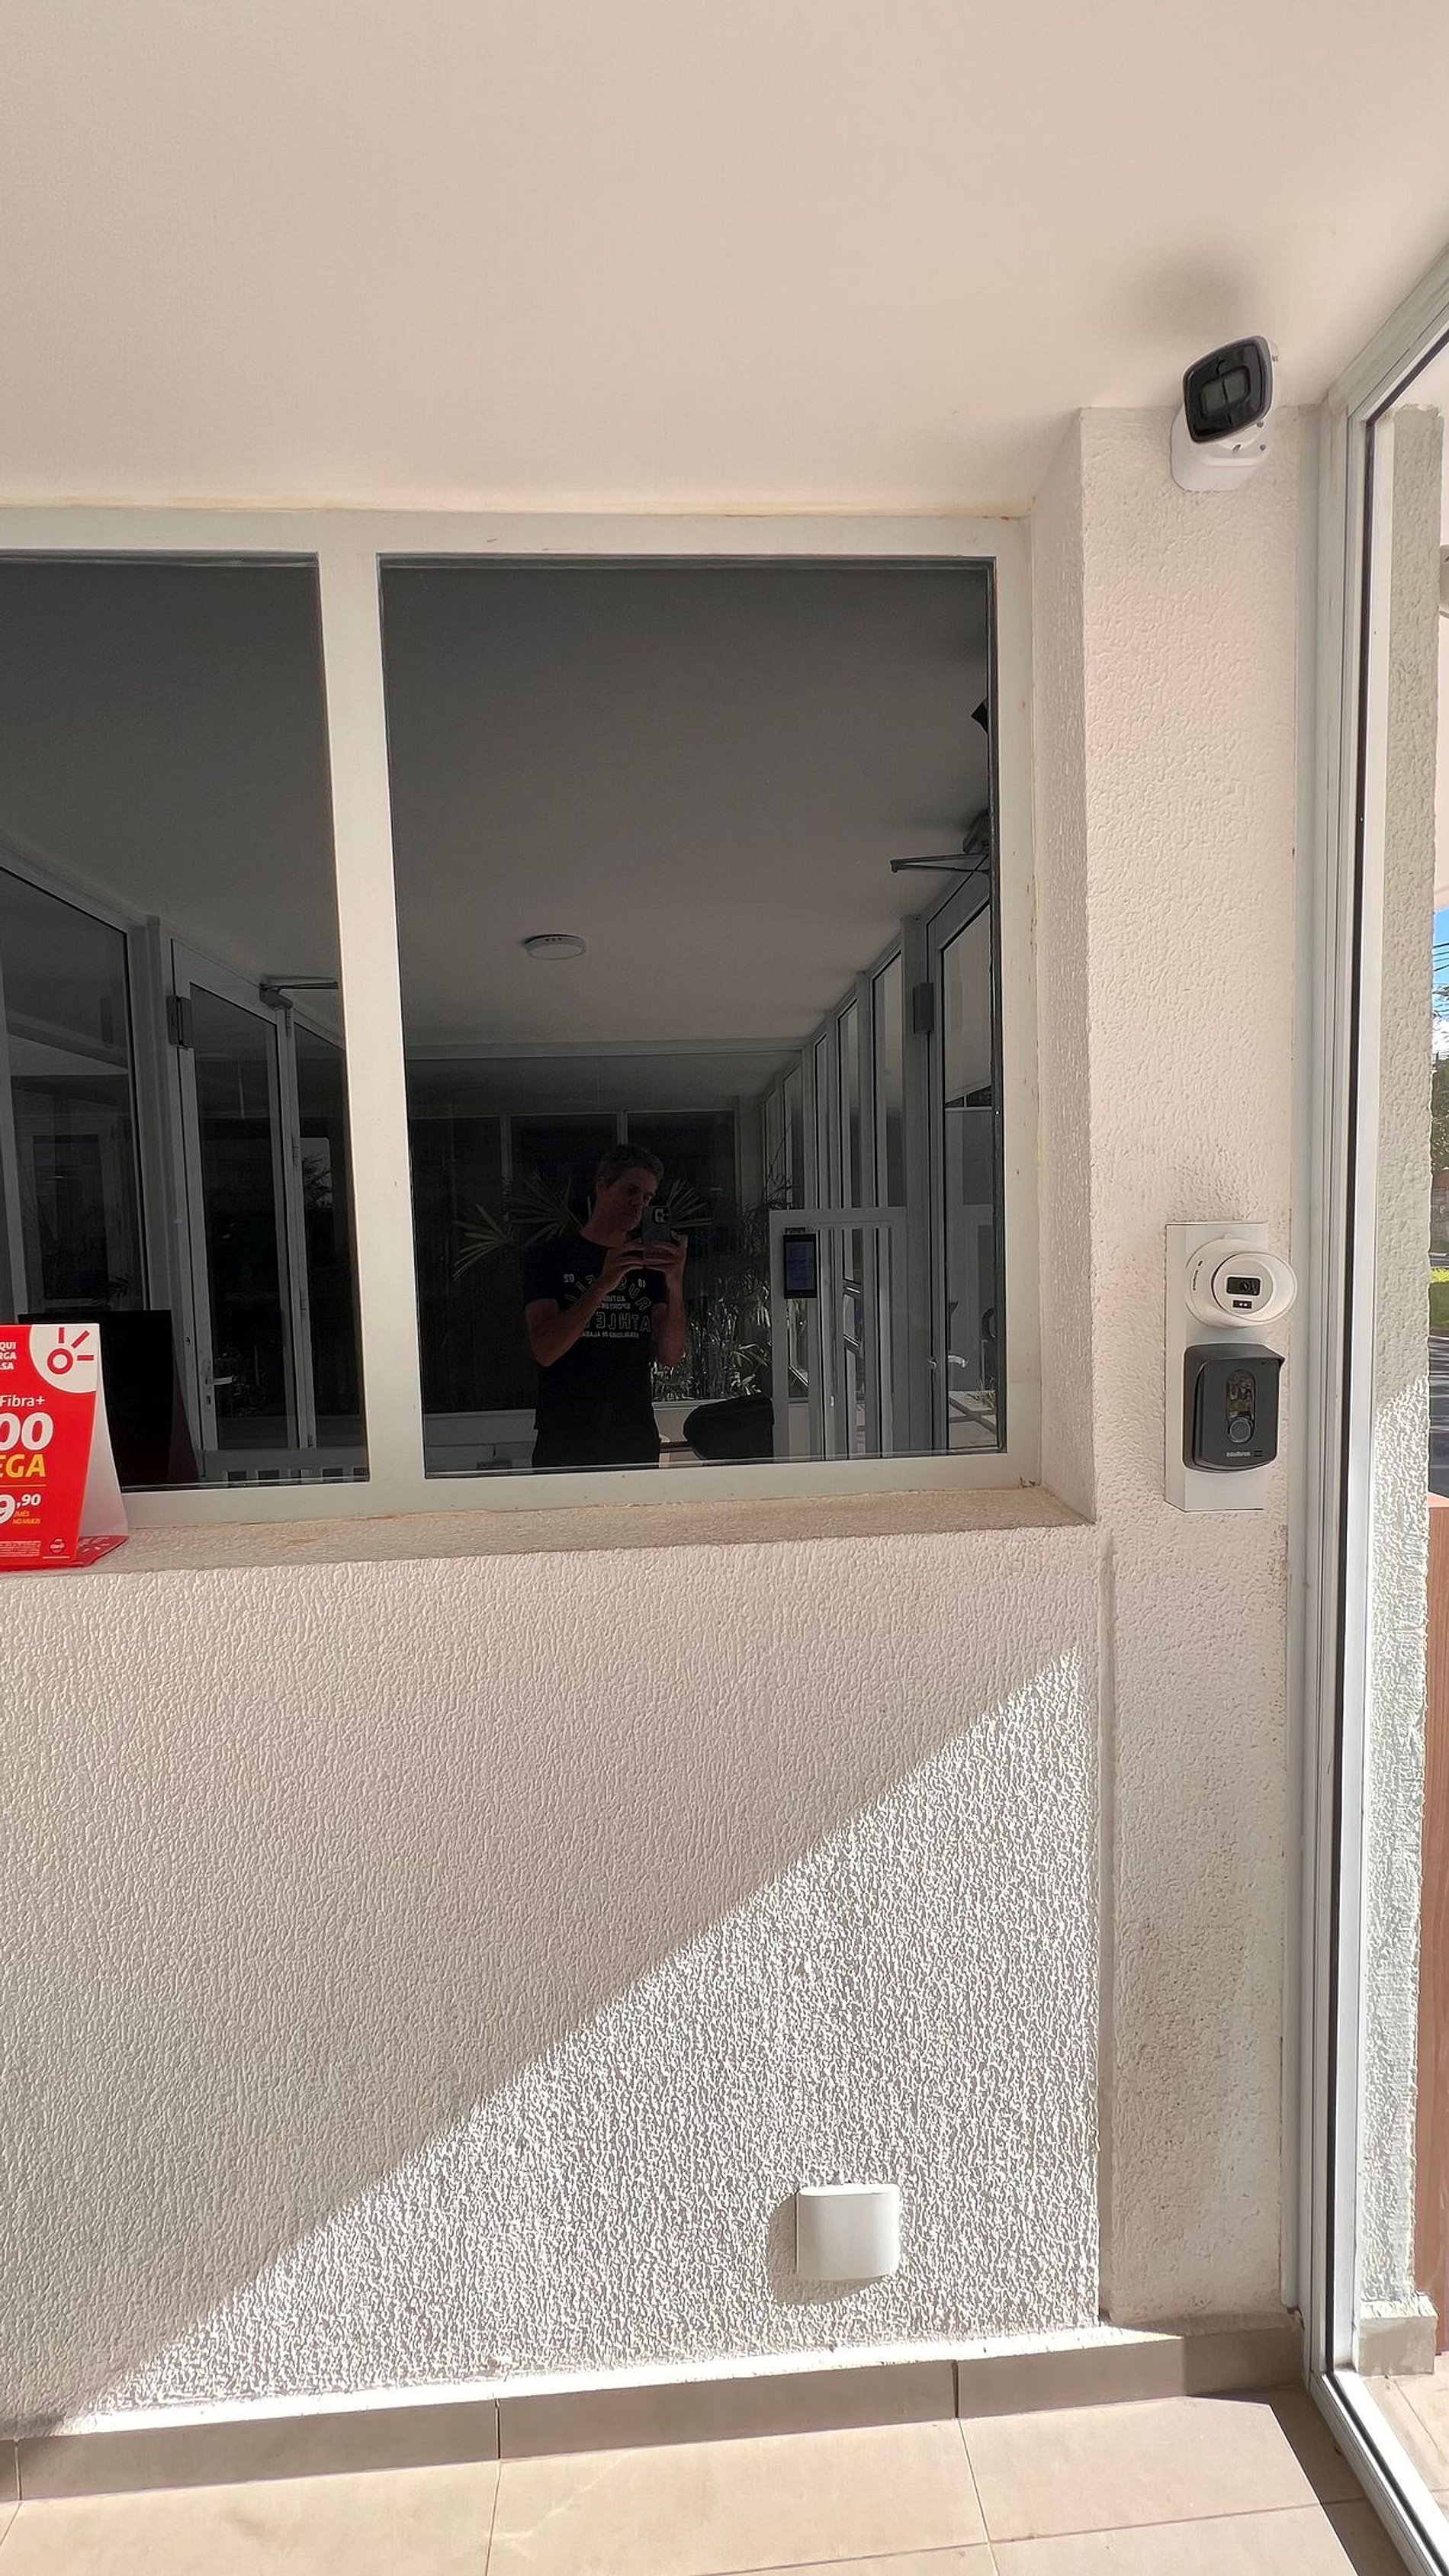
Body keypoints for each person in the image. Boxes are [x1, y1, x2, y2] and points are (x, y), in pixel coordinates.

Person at [522, 1144, 687, 1471]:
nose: (639, 1203)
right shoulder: (550, 1257)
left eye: (648, 1197)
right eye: (631, 1191)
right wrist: (602, 1284)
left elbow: (670, 1355)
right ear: (602, 1187)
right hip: (566, 1431)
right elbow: (546, 1350)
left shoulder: (650, 1265)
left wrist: (675, 1284)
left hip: (633, 1430)